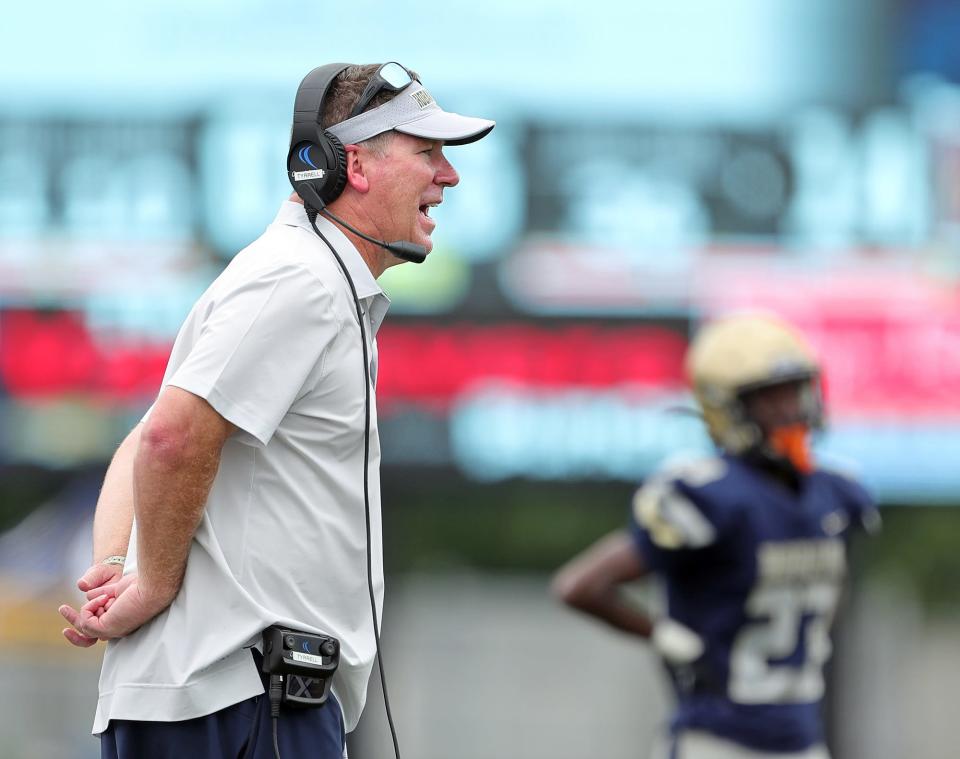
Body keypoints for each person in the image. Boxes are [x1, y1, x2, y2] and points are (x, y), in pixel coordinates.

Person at [58, 61, 494, 759]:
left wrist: (118, 562)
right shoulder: (303, 279)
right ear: (355, 164)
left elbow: (148, 435)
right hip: (242, 699)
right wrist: (151, 581)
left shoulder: (299, 271)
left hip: (231, 698)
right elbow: (170, 436)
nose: (449, 176)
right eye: (427, 152)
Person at [552, 313, 880, 759]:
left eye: (795, 391)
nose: (791, 409)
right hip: (717, 741)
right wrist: (663, 633)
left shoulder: (836, 493)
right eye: (771, 398)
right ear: (727, 407)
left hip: (803, 740)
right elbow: (580, 586)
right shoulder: (710, 497)